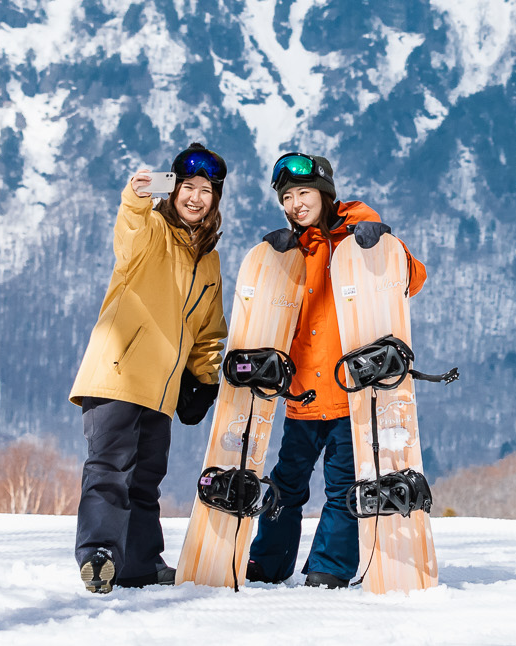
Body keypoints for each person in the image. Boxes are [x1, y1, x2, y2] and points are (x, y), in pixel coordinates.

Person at [244, 151, 426, 587]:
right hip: (303, 397)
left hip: (350, 397)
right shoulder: (294, 250)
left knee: (344, 486)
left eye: (303, 193)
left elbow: (412, 280)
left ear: (325, 194)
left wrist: (387, 245)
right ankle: (268, 563)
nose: (295, 204)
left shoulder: (359, 236)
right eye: (286, 196)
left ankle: (329, 567)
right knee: (287, 487)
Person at [68, 142, 229, 594]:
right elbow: (128, 235)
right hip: (119, 374)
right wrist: (136, 198)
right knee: (109, 469)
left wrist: (204, 375)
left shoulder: (209, 258)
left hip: (162, 388)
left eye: (206, 191)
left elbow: (209, 329)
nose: (196, 198)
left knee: (145, 480)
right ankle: (99, 554)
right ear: (173, 190)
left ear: (215, 199)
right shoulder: (152, 230)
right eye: (187, 187)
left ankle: (139, 563)